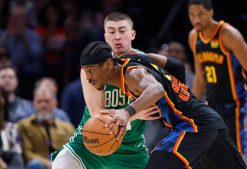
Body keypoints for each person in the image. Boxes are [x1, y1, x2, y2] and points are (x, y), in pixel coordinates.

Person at [80, 41, 247, 169]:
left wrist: (126, 112)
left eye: (91, 70)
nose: (88, 78)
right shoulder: (134, 58)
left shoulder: (132, 74)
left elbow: (156, 88)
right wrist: (184, 97)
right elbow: (176, 65)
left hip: (193, 126)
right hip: (207, 120)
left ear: (108, 64)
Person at [52, 12, 185, 169]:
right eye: (111, 31)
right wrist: (132, 114)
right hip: (89, 142)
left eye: (122, 31)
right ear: (105, 36)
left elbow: (175, 72)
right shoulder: (93, 63)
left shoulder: (145, 64)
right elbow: (98, 114)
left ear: (132, 34)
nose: (117, 37)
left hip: (130, 149)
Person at [188, 0, 247, 154]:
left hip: (235, 106)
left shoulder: (228, 34)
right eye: (192, 15)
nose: (196, 19)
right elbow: (200, 78)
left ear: (211, 12)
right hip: (212, 105)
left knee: (235, 156)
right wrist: (191, 108)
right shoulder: (194, 36)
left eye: (200, 14)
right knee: (212, 156)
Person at [18, 88, 74, 169]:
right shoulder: (24, 125)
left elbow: (74, 151)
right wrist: (47, 164)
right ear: (34, 104)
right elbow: (27, 153)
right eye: (39, 101)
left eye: (47, 101)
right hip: (39, 166)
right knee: (35, 164)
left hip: (62, 165)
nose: (43, 105)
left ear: (55, 104)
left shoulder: (67, 127)